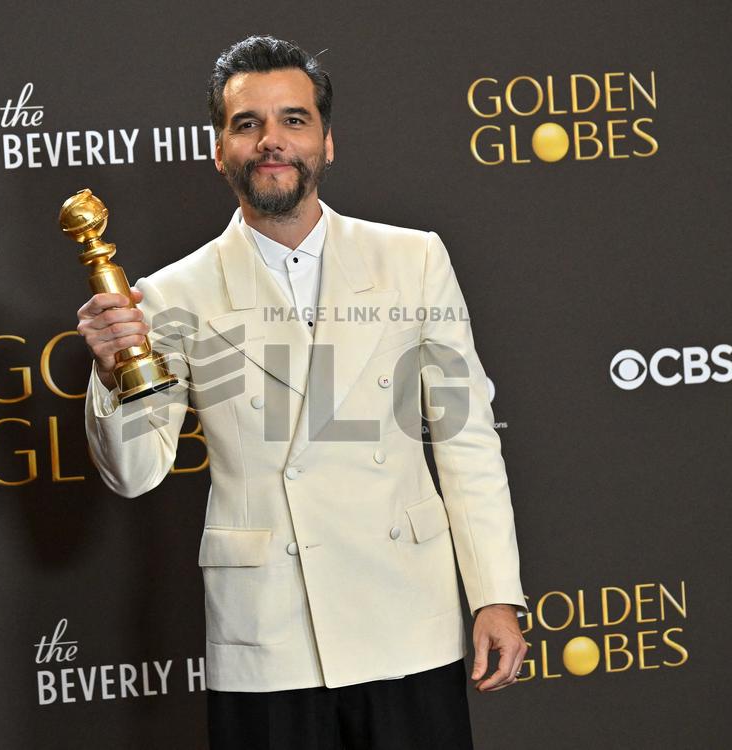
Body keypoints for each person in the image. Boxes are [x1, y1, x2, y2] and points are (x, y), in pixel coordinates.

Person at [77, 35, 528, 750]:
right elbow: (137, 474)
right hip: (269, 636)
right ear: (219, 149)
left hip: (408, 618)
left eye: (293, 120)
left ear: (326, 141)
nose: (271, 142)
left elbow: (466, 436)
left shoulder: (413, 259)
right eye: (247, 124)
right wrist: (111, 376)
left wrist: (496, 594)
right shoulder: (171, 295)